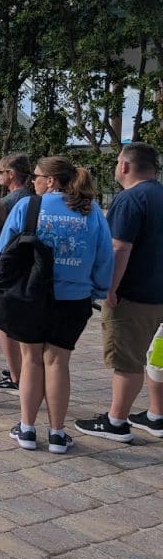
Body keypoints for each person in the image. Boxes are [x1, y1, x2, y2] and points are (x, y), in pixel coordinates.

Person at [0, 156, 113, 454]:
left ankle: (27, 428)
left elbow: (3, 252)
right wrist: (97, 288)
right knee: (59, 362)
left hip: (31, 295)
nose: (33, 181)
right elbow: (104, 256)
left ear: (51, 180)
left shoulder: (28, 207)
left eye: (36, 176)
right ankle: (58, 434)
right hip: (73, 299)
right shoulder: (91, 210)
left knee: (31, 359)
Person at [75, 143, 163, 442]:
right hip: (158, 294)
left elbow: (120, 247)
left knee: (127, 360)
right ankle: (155, 415)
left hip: (133, 296)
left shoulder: (130, 199)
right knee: (154, 358)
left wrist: (109, 288)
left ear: (124, 165)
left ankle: (117, 421)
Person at [0, 153, 34, 394]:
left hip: (9, 267)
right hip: (29, 267)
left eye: (0, 172)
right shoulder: (34, 198)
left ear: (11, 174)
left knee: (5, 323)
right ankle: (20, 369)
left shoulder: (10, 202)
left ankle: (16, 377)